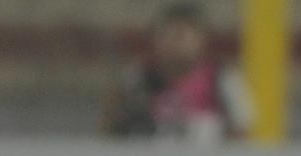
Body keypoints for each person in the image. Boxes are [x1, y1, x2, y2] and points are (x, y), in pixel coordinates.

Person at [101, 2, 253, 143]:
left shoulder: (223, 79)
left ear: (201, 40)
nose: (174, 43)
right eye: (167, 35)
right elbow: (109, 129)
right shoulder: (136, 79)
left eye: (181, 36)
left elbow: (241, 132)